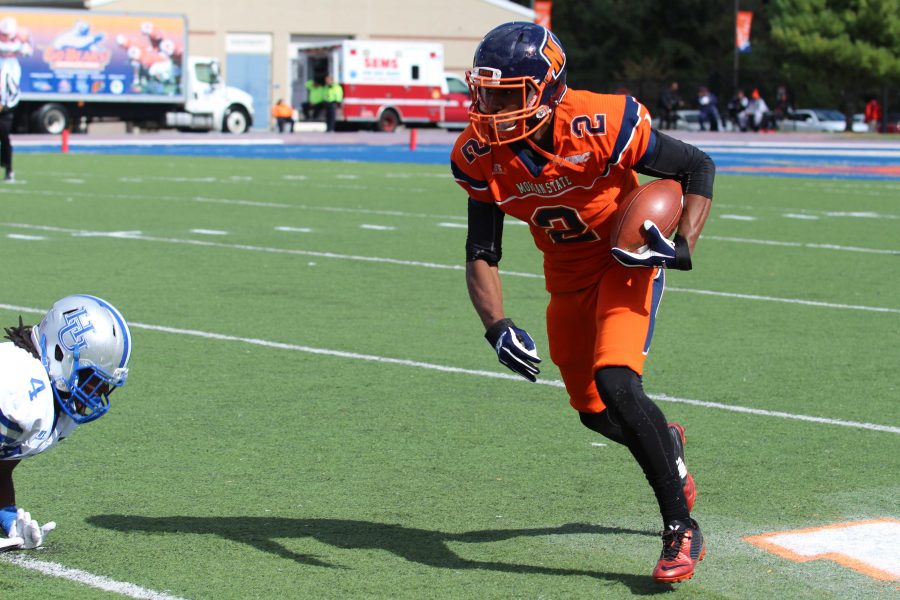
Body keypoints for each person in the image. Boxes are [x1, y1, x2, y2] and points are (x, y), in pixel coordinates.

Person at [450, 22, 714, 584]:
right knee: (594, 411)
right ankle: (665, 443)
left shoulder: (600, 122)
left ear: (547, 90)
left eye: (507, 94)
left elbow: (696, 167)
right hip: (564, 277)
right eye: (486, 92)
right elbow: (481, 250)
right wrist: (496, 324)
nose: (491, 106)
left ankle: (680, 527)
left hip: (625, 261)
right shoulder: (481, 153)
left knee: (619, 381)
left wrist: (682, 244)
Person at [0, 295, 132, 550]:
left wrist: (6, 516)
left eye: (105, 386)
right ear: (62, 353)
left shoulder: (52, 407)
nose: (98, 393)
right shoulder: (17, 390)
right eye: (93, 380)